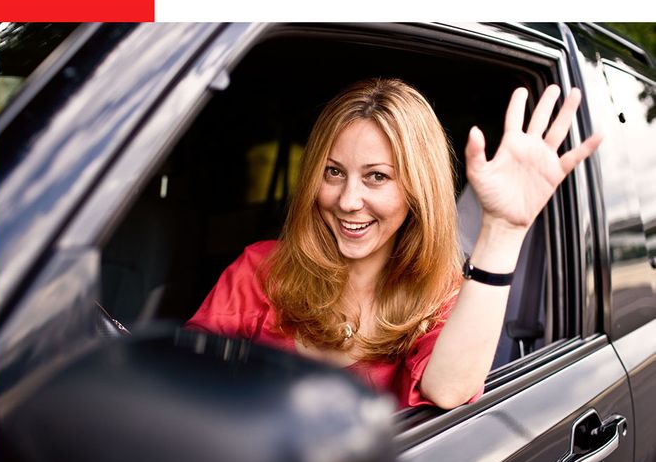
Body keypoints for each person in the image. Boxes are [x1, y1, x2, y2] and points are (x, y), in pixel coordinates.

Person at [186, 78, 602, 410]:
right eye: (333, 172)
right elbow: (182, 378)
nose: (348, 201)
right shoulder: (262, 269)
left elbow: (449, 391)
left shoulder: (442, 296)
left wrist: (504, 230)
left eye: (377, 177)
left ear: (417, 190)